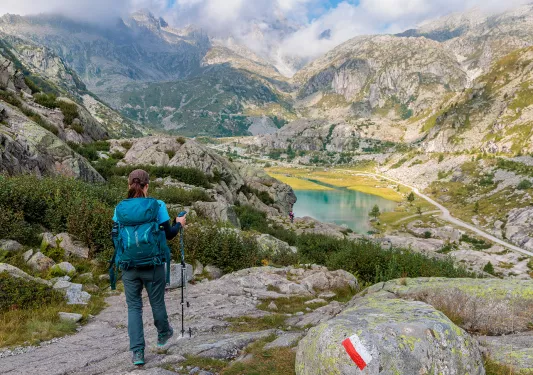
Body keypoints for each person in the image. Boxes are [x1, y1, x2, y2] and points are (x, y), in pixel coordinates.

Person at [111, 169, 186, 366]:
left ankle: (137, 353)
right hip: (154, 264)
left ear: (129, 185)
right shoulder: (157, 205)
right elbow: (169, 234)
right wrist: (179, 223)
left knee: (134, 307)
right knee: (157, 302)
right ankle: (163, 334)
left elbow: (116, 237)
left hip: (129, 266)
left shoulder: (120, 208)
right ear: (147, 186)